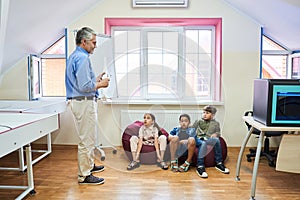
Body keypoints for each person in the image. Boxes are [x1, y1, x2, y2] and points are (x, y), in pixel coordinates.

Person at [65, 27, 110, 185]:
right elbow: (84, 86)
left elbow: (81, 83)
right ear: (84, 42)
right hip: (83, 102)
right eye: (93, 42)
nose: (95, 46)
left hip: (80, 101)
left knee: (89, 138)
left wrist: (96, 79)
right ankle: (84, 175)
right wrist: (101, 84)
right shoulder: (82, 58)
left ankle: (89, 167)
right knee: (87, 140)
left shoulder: (75, 56)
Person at [192, 105, 229, 178]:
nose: (204, 114)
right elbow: (192, 129)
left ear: (212, 115)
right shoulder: (198, 121)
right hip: (199, 138)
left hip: (209, 138)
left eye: (207, 113)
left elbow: (218, 132)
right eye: (204, 112)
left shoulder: (216, 123)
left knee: (217, 140)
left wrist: (215, 134)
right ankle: (200, 166)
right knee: (203, 144)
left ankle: (219, 163)